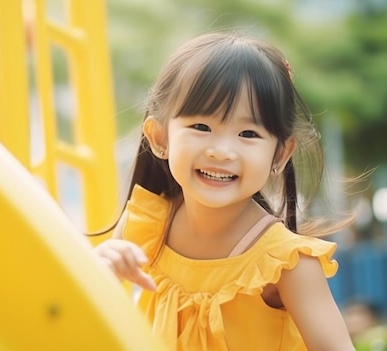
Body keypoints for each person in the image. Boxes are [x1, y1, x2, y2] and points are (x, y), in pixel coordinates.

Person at [94, 31, 356, 350]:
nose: (221, 151)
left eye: (248, 133)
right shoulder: (149, 225)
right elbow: (85, 319)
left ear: (280, 155)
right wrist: (97, 271)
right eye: (202, 127)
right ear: (159, 138)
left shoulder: (286, 262)